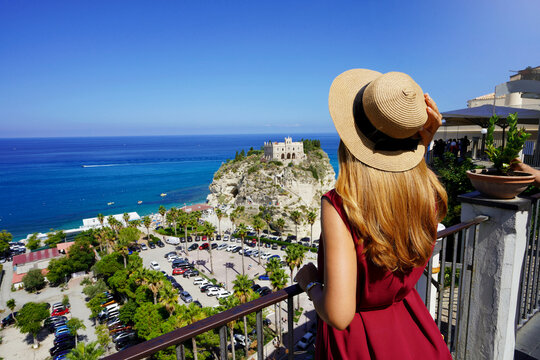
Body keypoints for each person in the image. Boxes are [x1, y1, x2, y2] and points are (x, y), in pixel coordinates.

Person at [295, 69, 451, 359]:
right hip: (413, 330)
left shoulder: (341, 205)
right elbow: (402, 180)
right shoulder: (427, 194)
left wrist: (310, 282)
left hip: (359, 343)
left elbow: (340, 315)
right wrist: (420, 145)